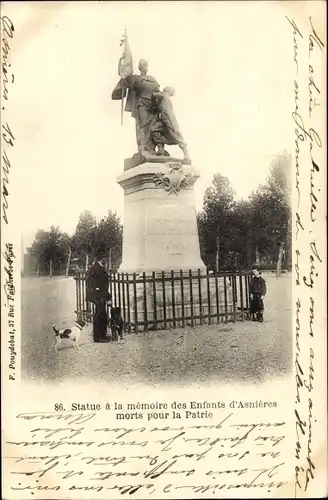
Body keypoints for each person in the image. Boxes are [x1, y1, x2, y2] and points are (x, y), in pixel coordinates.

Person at [112, 49, 160, 153]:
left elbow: (157, 90)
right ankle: (142, 146)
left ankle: (151, 148)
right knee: (142, 125)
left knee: (153, 126)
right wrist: (121, 60)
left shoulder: (152, 79)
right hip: (141, 105)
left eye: (146, 65)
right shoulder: (135, 78)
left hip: (153, 107)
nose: (145, 67)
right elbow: (122, 74)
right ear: (140, 67)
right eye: (143, 65)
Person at [151, 86, 190, 161]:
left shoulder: (164, 95)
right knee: (154, 130)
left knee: (176, 134)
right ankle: (161, 150)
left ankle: (186, 155)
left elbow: (153, 94)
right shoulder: (165, 98)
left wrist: (154, 102)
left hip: (169, 118)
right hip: (163, 119)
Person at [86, 251, 111, 342]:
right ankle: (99, 337)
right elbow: (101, 286)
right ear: (102, 259)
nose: (106, 260)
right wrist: (108, 297)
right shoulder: (97, 269)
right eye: (105, 258)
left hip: (98, 295)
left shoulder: (95, 268)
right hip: (99, 296)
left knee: (100, 315)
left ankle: (101, 336)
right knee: (100, 316)